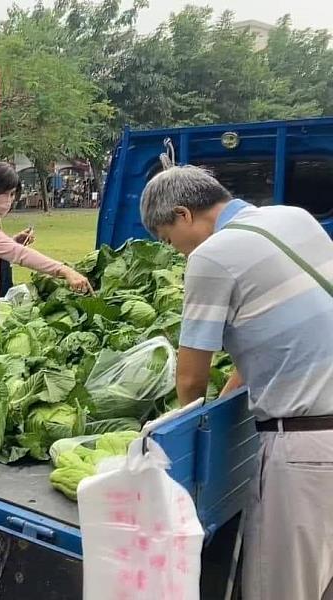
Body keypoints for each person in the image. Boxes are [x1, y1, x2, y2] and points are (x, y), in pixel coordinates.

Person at [140, 165, 333, 600]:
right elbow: (273, 340)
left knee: (282, 587)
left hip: (307, 450)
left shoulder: (212, 256)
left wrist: (186, 438)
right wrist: (225, 404)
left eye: (169, 241)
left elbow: (191, 378)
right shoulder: (295, 218)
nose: (177, 253)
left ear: (183, 215)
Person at [0, 162, 91, 299]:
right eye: (4, 193)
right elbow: (19, 254)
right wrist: (64, 270)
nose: (9, 200)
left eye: (12, 194)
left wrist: (13, 241)